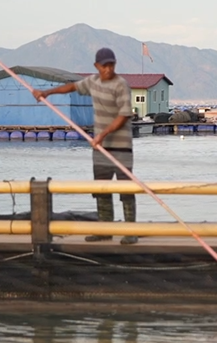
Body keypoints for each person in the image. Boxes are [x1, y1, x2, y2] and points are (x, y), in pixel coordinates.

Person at [32, 47, 138, 245]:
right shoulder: (92, 82)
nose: (108, 69)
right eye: (104, 65)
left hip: (121, 145)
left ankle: (130, 232)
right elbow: (71, 87)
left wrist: (102, 135)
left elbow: (123, 116)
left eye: (111, 65)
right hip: (100, 148)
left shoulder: (121, 85)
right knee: (101, 189)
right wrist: (47, 93)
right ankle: (105, 230)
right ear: (96, 66)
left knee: (126, 189)